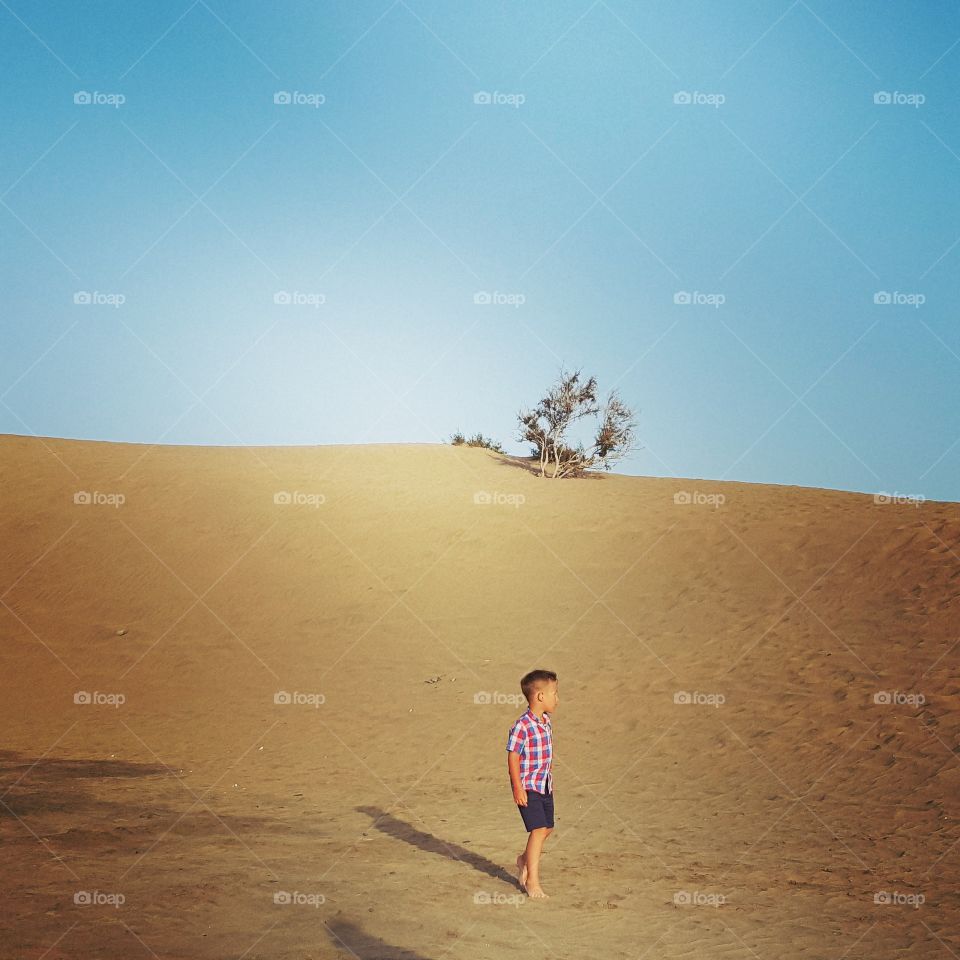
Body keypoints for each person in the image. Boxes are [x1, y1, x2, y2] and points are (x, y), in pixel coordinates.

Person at [506, 669, 558, 899]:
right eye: (554, 693)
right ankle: (532, 882)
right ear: (539, 697)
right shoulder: (522, 726)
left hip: (544, 784)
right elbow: (513, 756)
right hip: (528, 787)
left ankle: (523, 860)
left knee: (547, 828)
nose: (557, 698)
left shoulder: (545, 721)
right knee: (537, 830)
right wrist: (517, 787)